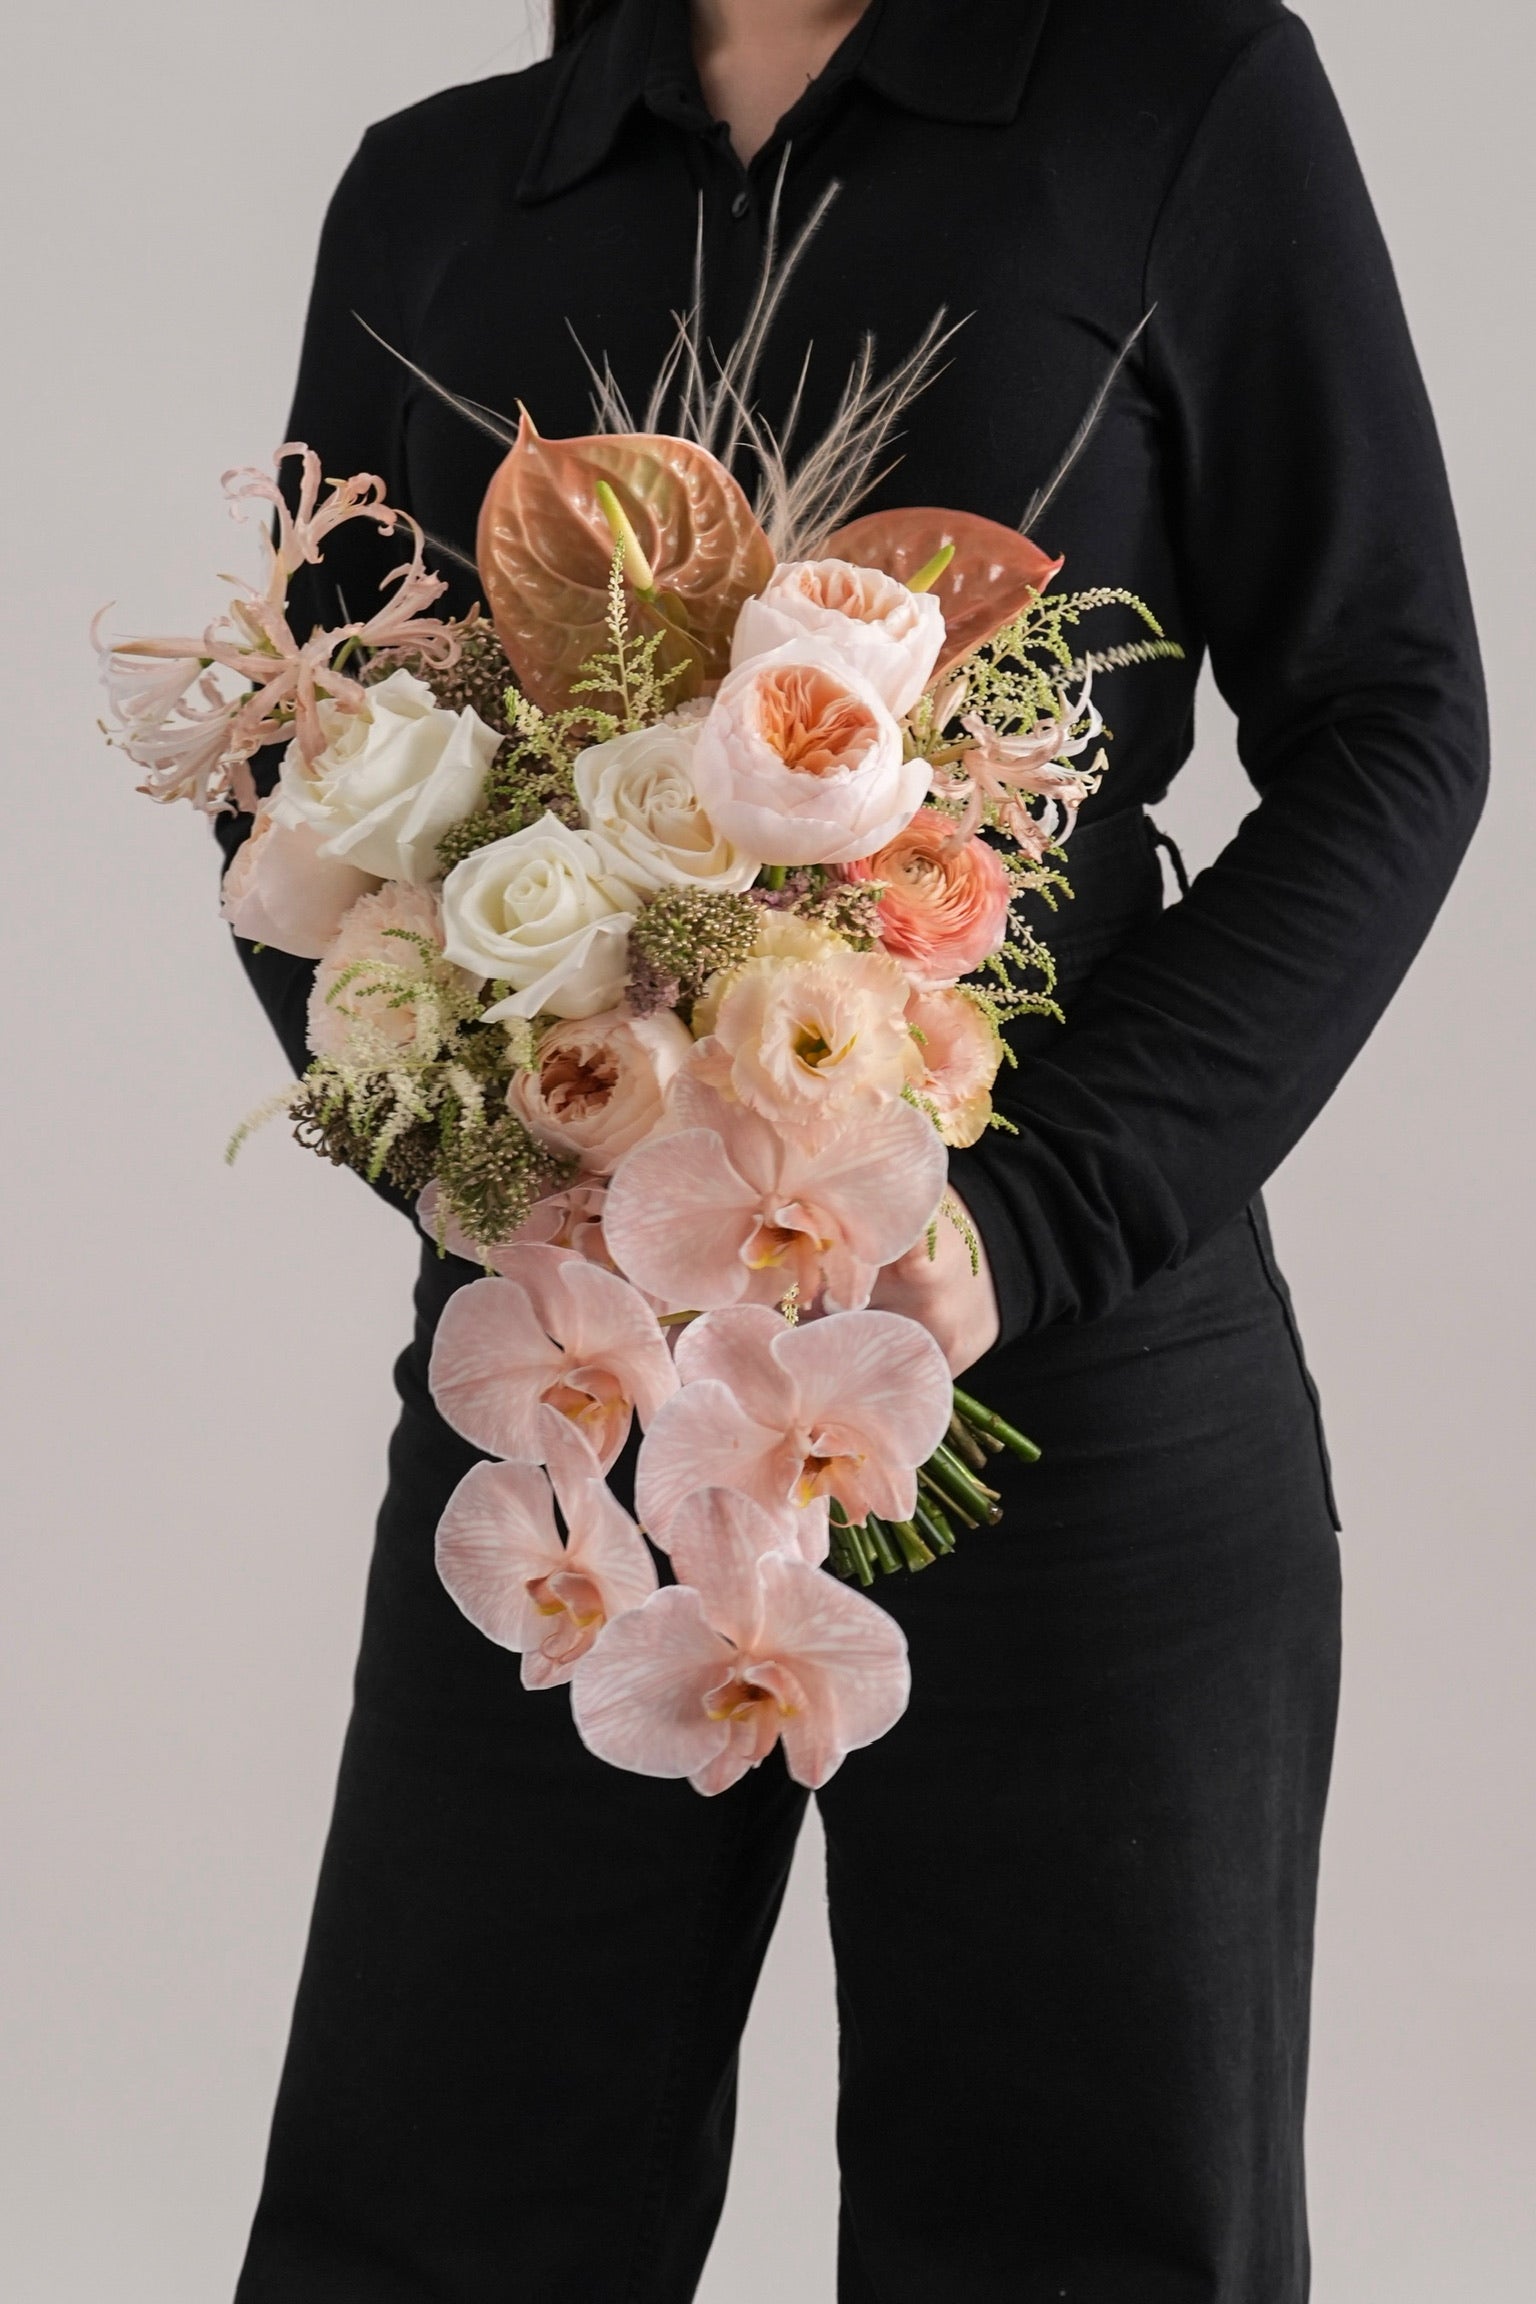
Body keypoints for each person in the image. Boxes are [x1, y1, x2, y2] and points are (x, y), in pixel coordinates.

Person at [221, 3, 1488, 2298]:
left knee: (1084, 2244)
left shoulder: (1175, 102)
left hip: (1065, 1380)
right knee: (432, 2223)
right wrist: (486, 1172)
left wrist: (1038, 1209)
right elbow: (295, 772)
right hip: (579, 1393)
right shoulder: (439, 187)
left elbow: (1396, 716)